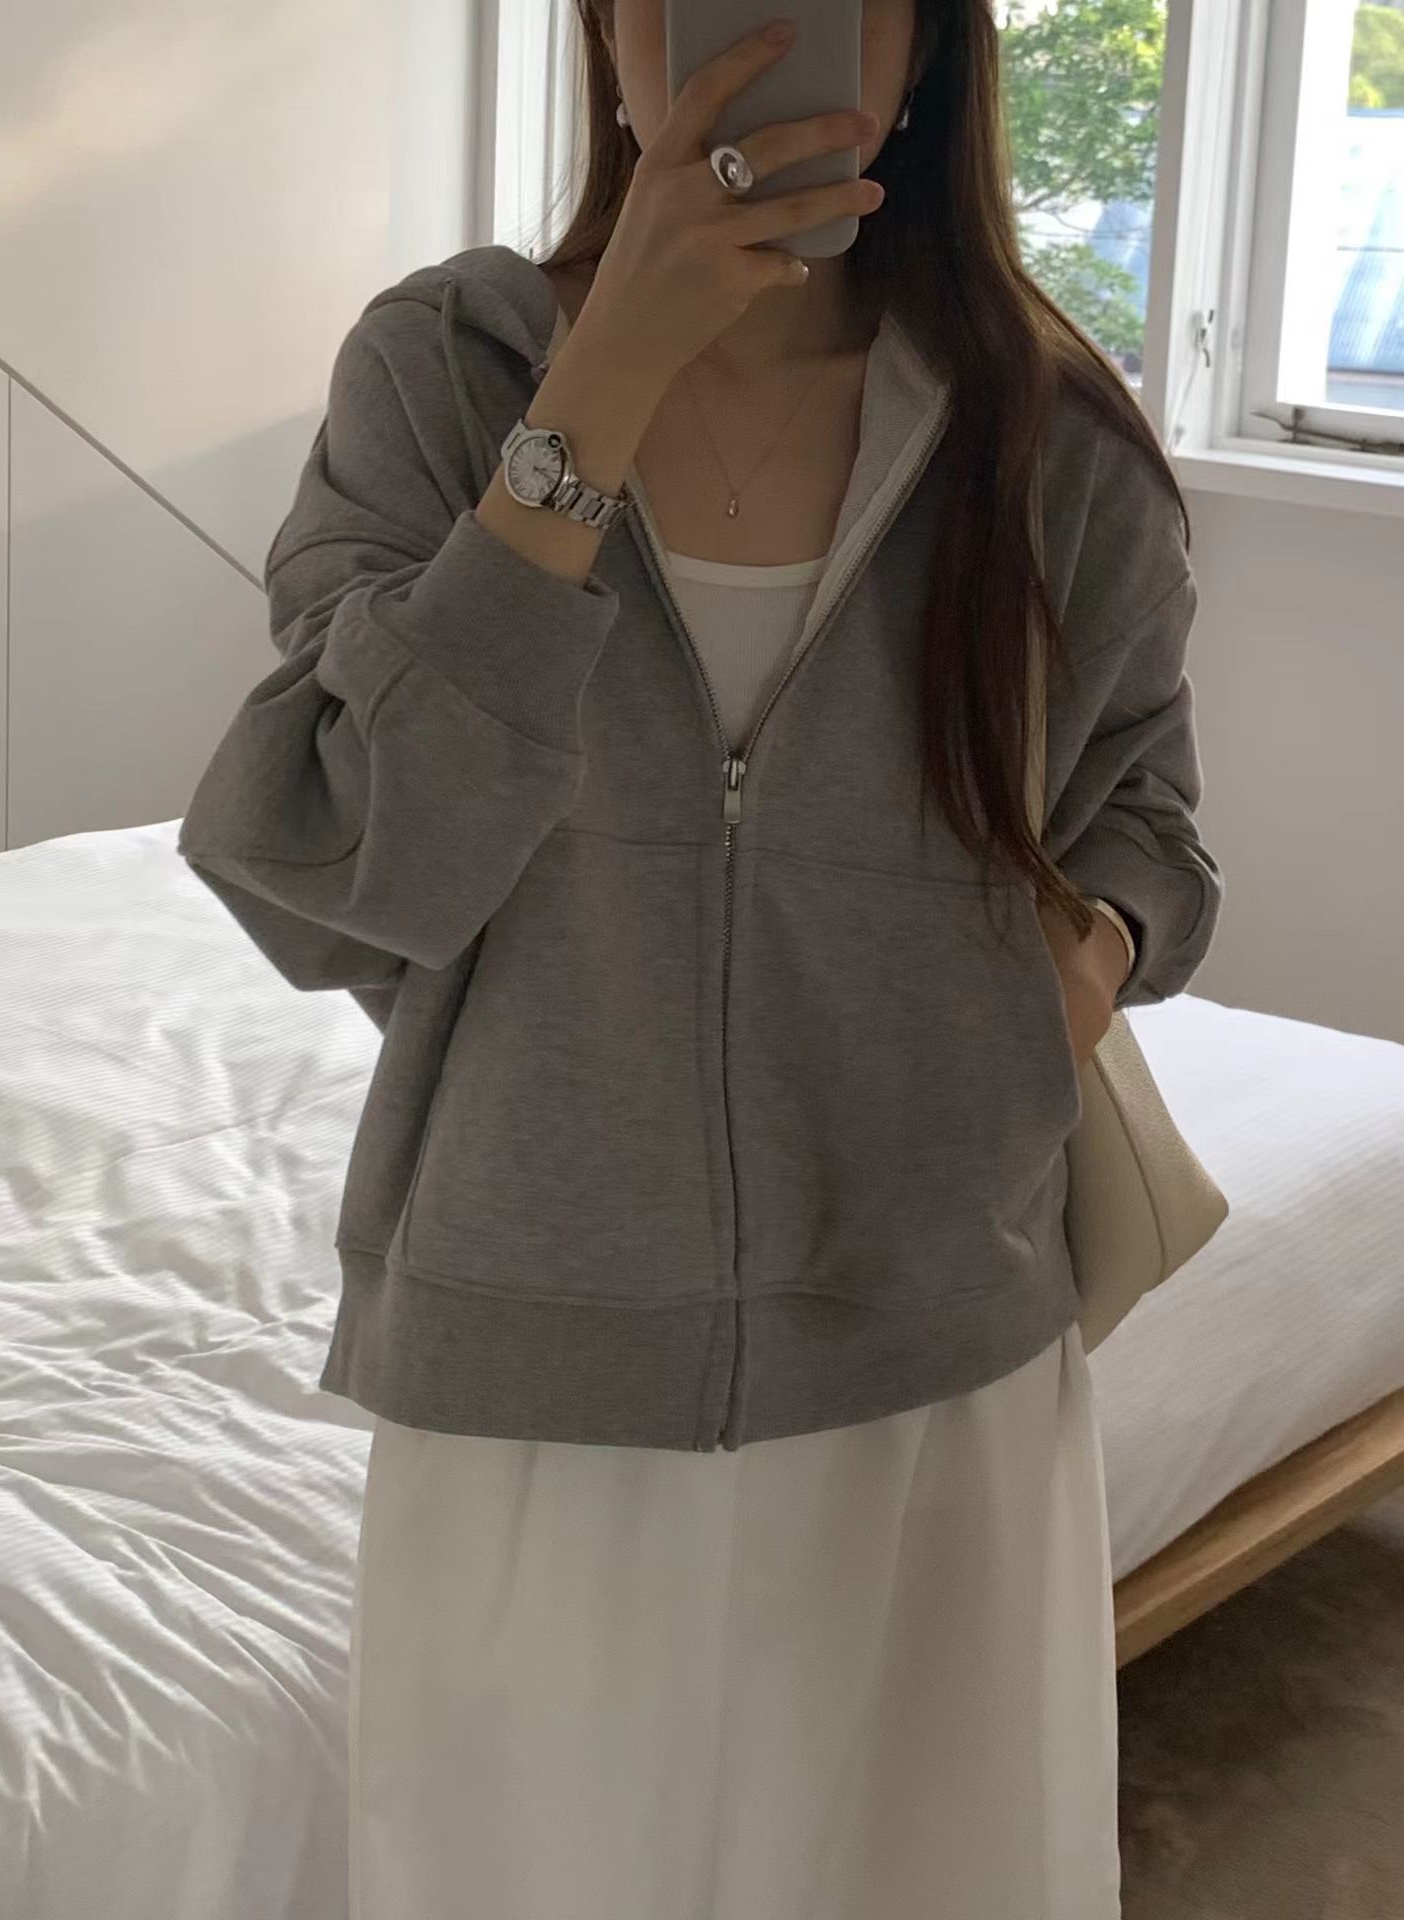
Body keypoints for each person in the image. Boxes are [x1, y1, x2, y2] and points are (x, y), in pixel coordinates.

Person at [177, 3, 1224, 1915]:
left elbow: (1146, 817)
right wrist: (603, 384)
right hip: (533, 1358)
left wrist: (1084, 960)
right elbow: (334, 864)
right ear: (601, 26)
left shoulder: (1044, 429)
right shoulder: (443, 373)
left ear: (920, 43)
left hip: (939, 1348)